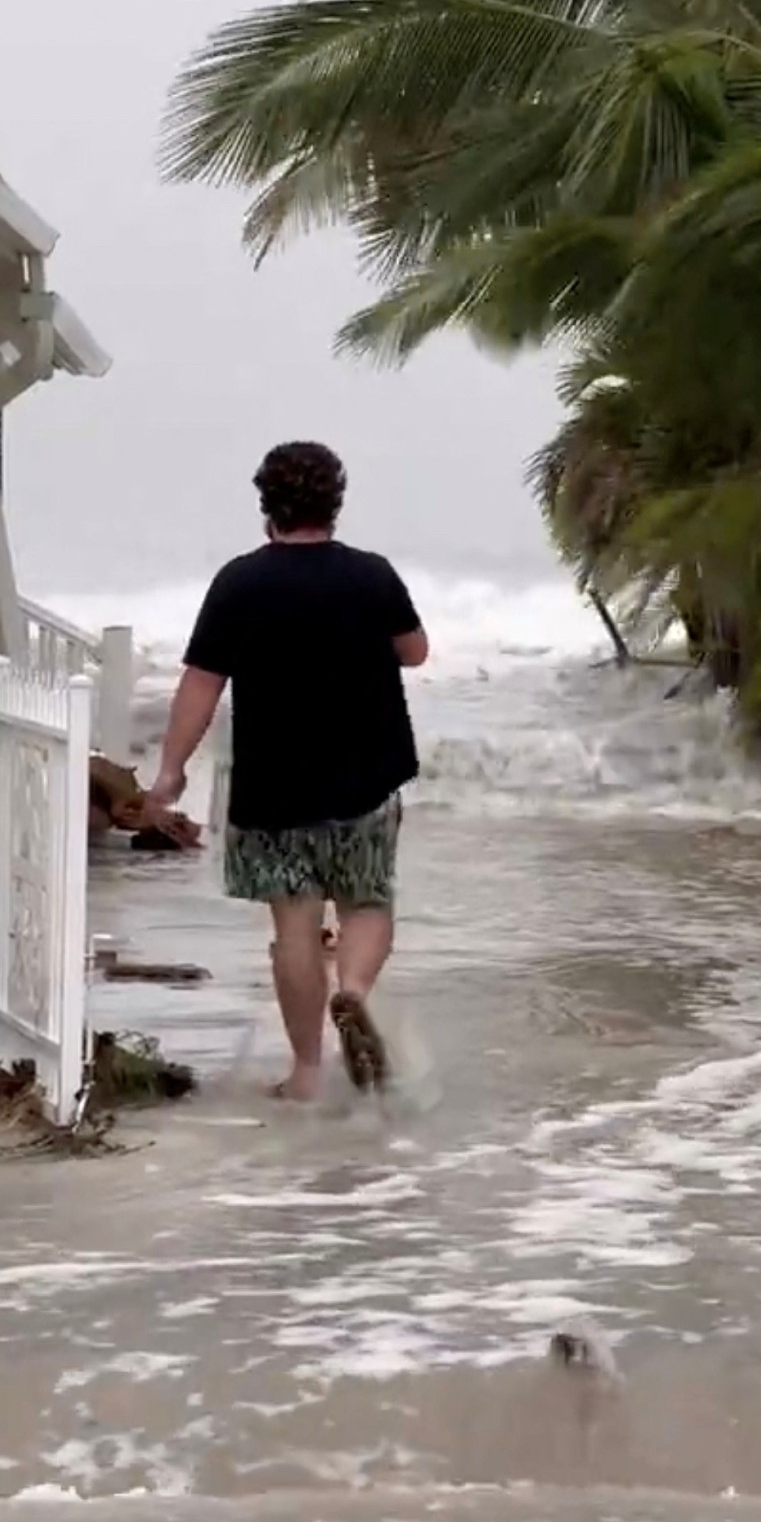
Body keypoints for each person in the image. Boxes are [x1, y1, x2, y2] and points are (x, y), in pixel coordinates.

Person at [148, 441, 428, 1100]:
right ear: (335, 502)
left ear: (267, 506)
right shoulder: (371, 575)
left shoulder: (240, 582)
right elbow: (415, 652)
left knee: (294, 928)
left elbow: (201, 684)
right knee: (367, 901)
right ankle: (353, 991)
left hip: (275, 790)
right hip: (366, 779)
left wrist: (169, 772)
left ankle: (306, 1072)